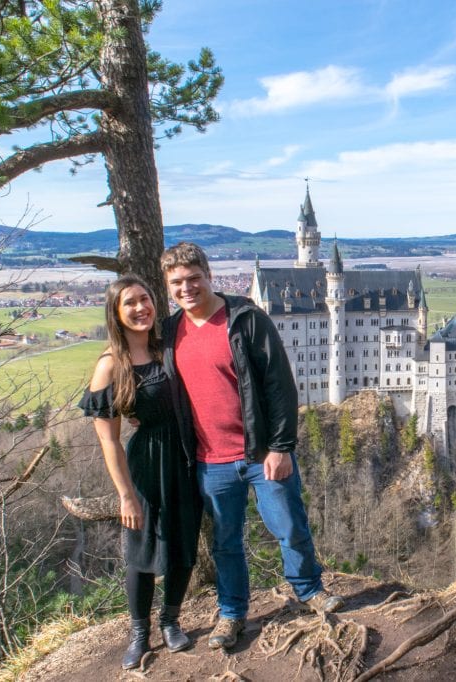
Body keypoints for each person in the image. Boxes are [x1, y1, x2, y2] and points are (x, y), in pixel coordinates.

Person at [159, 242, 343, 650]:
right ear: (168, 287)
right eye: (177, 282)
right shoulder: (171, 332)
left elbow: (279, 384)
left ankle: (308, 589)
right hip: (210, 458)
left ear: (209, 275)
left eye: (193, 278)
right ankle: (232, 612)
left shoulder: (244, 318)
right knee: (225, 541)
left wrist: (280, 446)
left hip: (261, 452)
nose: (186, 288)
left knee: (289, 526)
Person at [79, 274, 202, 670]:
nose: (140, 308)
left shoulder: (167, 347)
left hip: (184, 456)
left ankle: (170, 620)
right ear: (116, 312)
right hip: (146, 463)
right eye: (130, 302)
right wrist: (126, 494)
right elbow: (109, 441)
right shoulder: (111, 365)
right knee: (142, 550)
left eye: (145, 299)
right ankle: (139, 633)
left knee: (183, 544)